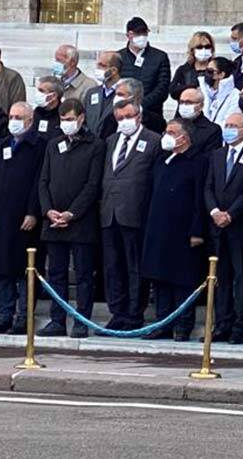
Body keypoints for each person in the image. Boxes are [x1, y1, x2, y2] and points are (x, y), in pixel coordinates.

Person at [139, 119, 208, 341]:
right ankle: (163, 322)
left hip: (183, 230)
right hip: (158, 228)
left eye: (171, 132)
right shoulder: (162, 160)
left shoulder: (198, 162)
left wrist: (197, 231)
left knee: (182, 279)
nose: (166, 135)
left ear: (184, 137)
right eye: (165, 131)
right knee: (160, 278)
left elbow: (200, 198)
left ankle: (182, 324)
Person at [0, 102, 44, 334]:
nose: (13, 120)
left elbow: (39, 183)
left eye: (19, 117)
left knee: (23, 270)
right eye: (11, 116)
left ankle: (23, 317)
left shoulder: (39, 146)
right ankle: (4, 315)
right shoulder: (2, 143)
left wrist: (32, 211)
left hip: (24, 219)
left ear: (29, 121)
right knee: (2, 269)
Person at [99, 100, 162, 330]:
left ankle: (135, 312)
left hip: (136, 213)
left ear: (139, 115)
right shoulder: (111, 141)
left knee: (134, 266)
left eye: (129, 116)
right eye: (120, 118)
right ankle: (117, 312)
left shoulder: (153, 141)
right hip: (109, 212)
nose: (125, 121)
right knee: (113, 266)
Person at [204, 112, 243, 344]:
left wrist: (231, 214)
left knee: (242, 275)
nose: (228, 129)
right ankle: (221, 323)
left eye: (233, 126)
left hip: (240, 225)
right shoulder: (217, 154)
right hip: (218, 225)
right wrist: (215, 212)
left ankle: (240, 324)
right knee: (221, 277)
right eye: (226, 125)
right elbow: (208, 186)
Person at [116, 17, 171, 133]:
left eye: (144, 33)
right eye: (138, 33)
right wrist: (126, 106)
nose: (142, 36)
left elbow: (162, 88)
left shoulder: (159, 57)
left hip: (151, 116)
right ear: (129, 35)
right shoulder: (118, 57)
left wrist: (140, 105)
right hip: (123, 117)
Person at [83, 51, 122, 138]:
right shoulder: (92, 93)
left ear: (114, 70)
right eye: (98, 65)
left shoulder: (125, 93)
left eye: (102, 66)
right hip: (91, 145)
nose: (98, 69)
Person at [175, 87, 223, 157]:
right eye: (182, 102)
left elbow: (210, 159)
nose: (184, 106)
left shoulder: (212, 130)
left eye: (189, 102)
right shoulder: (173, 125)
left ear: (201, 106)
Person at [169, 31, 216, 100]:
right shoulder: (184, 70)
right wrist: (192, 87)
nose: (204, 50)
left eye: (207, 47)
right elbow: (173, 91)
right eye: (199, 47)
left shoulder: (217, 69)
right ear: (192, 50)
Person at [200, 57, 240, 130]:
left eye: (210, 71)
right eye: (207, 70)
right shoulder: (201, 89)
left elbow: (229, 120)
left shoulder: (235, 95)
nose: (206, 74)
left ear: (221, 74)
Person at [31, 76, 63, 143]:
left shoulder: (63, 114)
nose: (38, 94)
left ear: (53, 96)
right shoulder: (36, 112)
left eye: (41, 91)